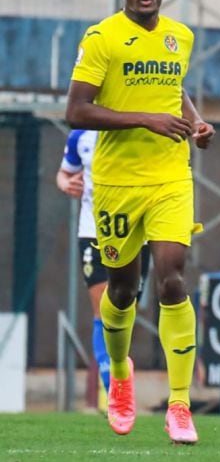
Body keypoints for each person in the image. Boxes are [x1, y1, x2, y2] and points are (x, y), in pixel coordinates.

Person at [65, 0, 215, 445]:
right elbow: (76, 111)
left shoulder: (180, 37)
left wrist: (196, 122)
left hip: (170, 176)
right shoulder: (101, 38)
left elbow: (175, 90)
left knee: (172, 279)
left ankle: (179, 404)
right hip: (116, 183)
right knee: (123, 291)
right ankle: (121, 377)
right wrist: (145, 119)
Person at [55, 129, 149, 413]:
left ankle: (118, 379)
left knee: (124, 309)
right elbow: (64, 173)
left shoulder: (137, 126)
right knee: (102, 311)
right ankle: (114, 391)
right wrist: (66, 183)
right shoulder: (80, 135)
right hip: (92, 231)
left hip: (134, 233)